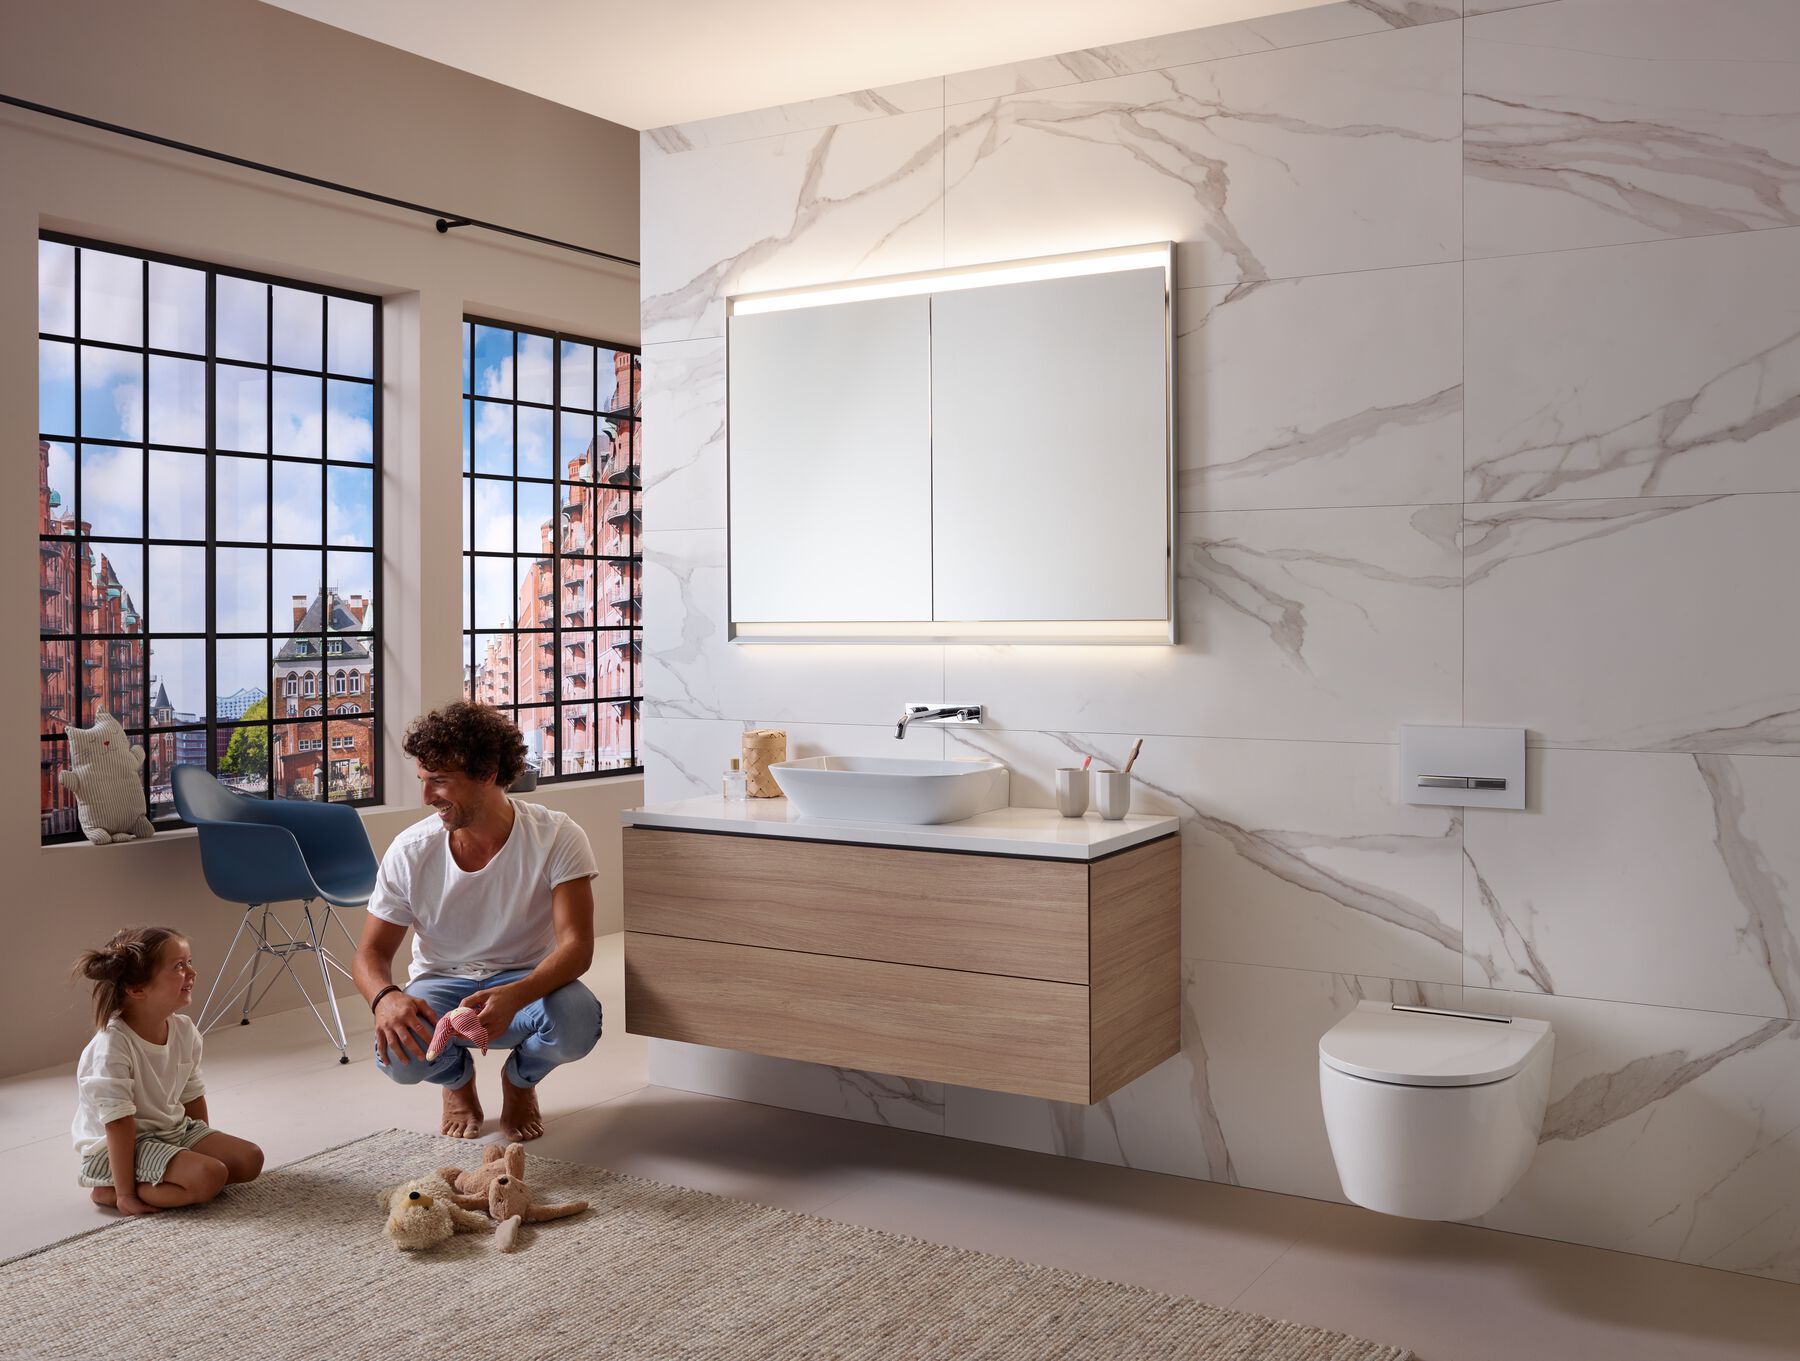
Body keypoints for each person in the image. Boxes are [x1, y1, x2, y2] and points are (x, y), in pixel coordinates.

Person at [355, 701, 602, 1141]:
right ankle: (456, 1082)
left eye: (440, 782)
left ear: (488, 774)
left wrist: (517, 993)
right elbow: (370, 952)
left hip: (526, 978)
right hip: (441, 983)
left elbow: (576, 946)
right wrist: (385, 998)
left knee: (577, 1022)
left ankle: (520, 1081)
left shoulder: (558, 836)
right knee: (398, 1057)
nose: (427, 798)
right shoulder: (411, 850)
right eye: (423, 781)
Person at [71, 927, 264, 1215]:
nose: (192, 973)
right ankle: (107, 1189)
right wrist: (125, 1196)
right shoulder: (112, 1046)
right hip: (122, 1147)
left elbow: (192, 1095)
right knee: (209, 1177)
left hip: (172, 1131)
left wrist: (201, 1151)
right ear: (137, 990)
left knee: (250, 1159)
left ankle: (176, 1173)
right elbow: (118, 1123)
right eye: (178, 966)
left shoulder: (184, 1030)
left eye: (189, 962)